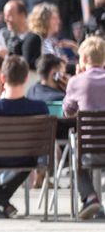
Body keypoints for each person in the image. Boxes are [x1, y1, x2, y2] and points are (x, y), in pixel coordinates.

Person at [0, 56, 48, 219]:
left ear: (2, 78)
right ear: (26, 78)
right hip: (26, 158)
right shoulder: (39, 108)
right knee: (30, 161)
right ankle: (3, 203)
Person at [63, 36, 105, 219]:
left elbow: (68, 111)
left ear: (84, 59)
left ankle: (90, 196)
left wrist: (77, 79)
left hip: (89, 149)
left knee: (75, 152)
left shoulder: (76, 81)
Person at [0, 0, 41, 82]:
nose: (6, 19)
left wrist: (8, 56)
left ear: (22, 16)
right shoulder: (4, 37)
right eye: (5, 15)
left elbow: (32, 65)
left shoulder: (34, 38)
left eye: (10, 15)